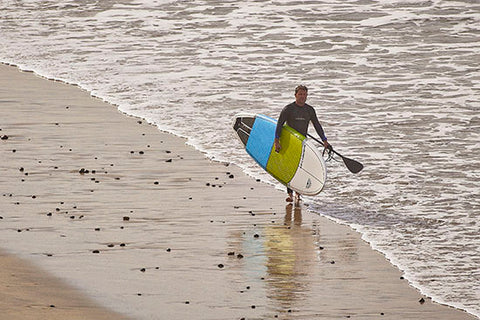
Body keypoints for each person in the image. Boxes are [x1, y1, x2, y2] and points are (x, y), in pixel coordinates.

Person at [274, 85, 331, 203]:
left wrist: (324, 140)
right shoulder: (288, 109)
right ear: (295, 95)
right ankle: (290, 194)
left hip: (302, 143)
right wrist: (277, 141)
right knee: (290, 168)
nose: (302, 97)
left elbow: (317, 125)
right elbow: (279, 125)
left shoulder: (309, 110)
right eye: (300, 94)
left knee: (300, 168)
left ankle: (298, 193)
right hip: (290, 142)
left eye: (304, 94)